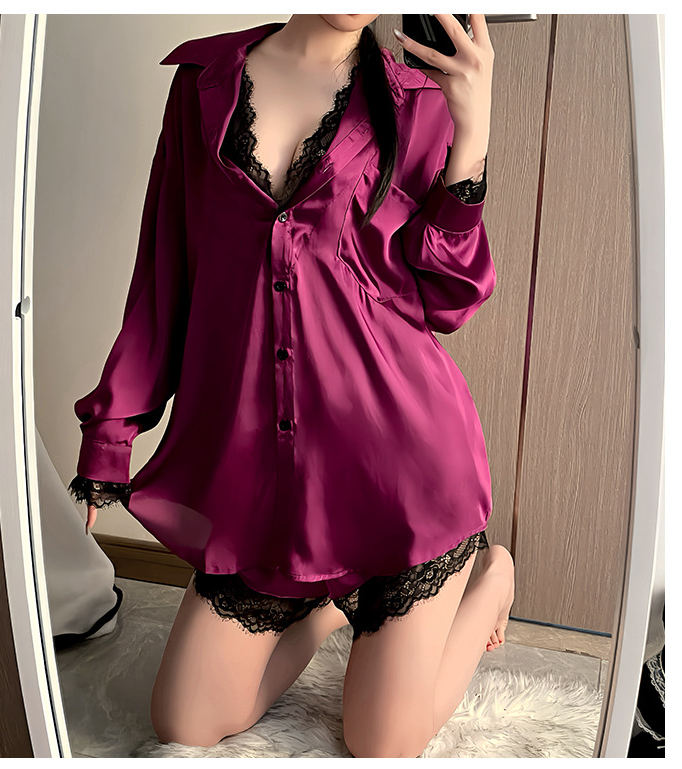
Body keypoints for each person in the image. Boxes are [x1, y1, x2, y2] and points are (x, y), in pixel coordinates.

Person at [68, 14, 516, 758]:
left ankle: (492, 575)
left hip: (403, 474)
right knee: (184, 722)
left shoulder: (419, 102)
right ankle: (328, 604)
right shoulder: (204, 87)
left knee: (381, 743)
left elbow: (449, 300)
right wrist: (108, 439)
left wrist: (472, 131)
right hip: (266, 488)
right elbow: (163, 274)